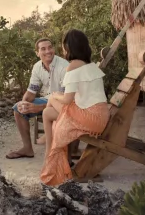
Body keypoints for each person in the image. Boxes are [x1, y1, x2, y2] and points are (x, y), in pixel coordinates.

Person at [40, 29, 110, 186]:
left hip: (90, 117)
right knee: (47, 112)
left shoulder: (72, 66)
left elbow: (66, 99)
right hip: (99, 115)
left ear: (69, 47)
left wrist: (54, 95)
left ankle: (51, 153)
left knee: (52, 99)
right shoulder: (90, 65)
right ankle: (51, 152)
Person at [6, 38, 69, 159]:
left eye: (50, 47)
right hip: (47, 99)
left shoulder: (63, 66)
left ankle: (60, 156)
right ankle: (27, 149)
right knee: (17, 109)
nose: (48, 51)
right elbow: (31, 91)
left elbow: (66, 100)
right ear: (37, 53)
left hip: (61, 103)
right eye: (43, 49)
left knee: (47, 110)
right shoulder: (37, 67)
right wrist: (24, 103)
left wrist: (37, 107)